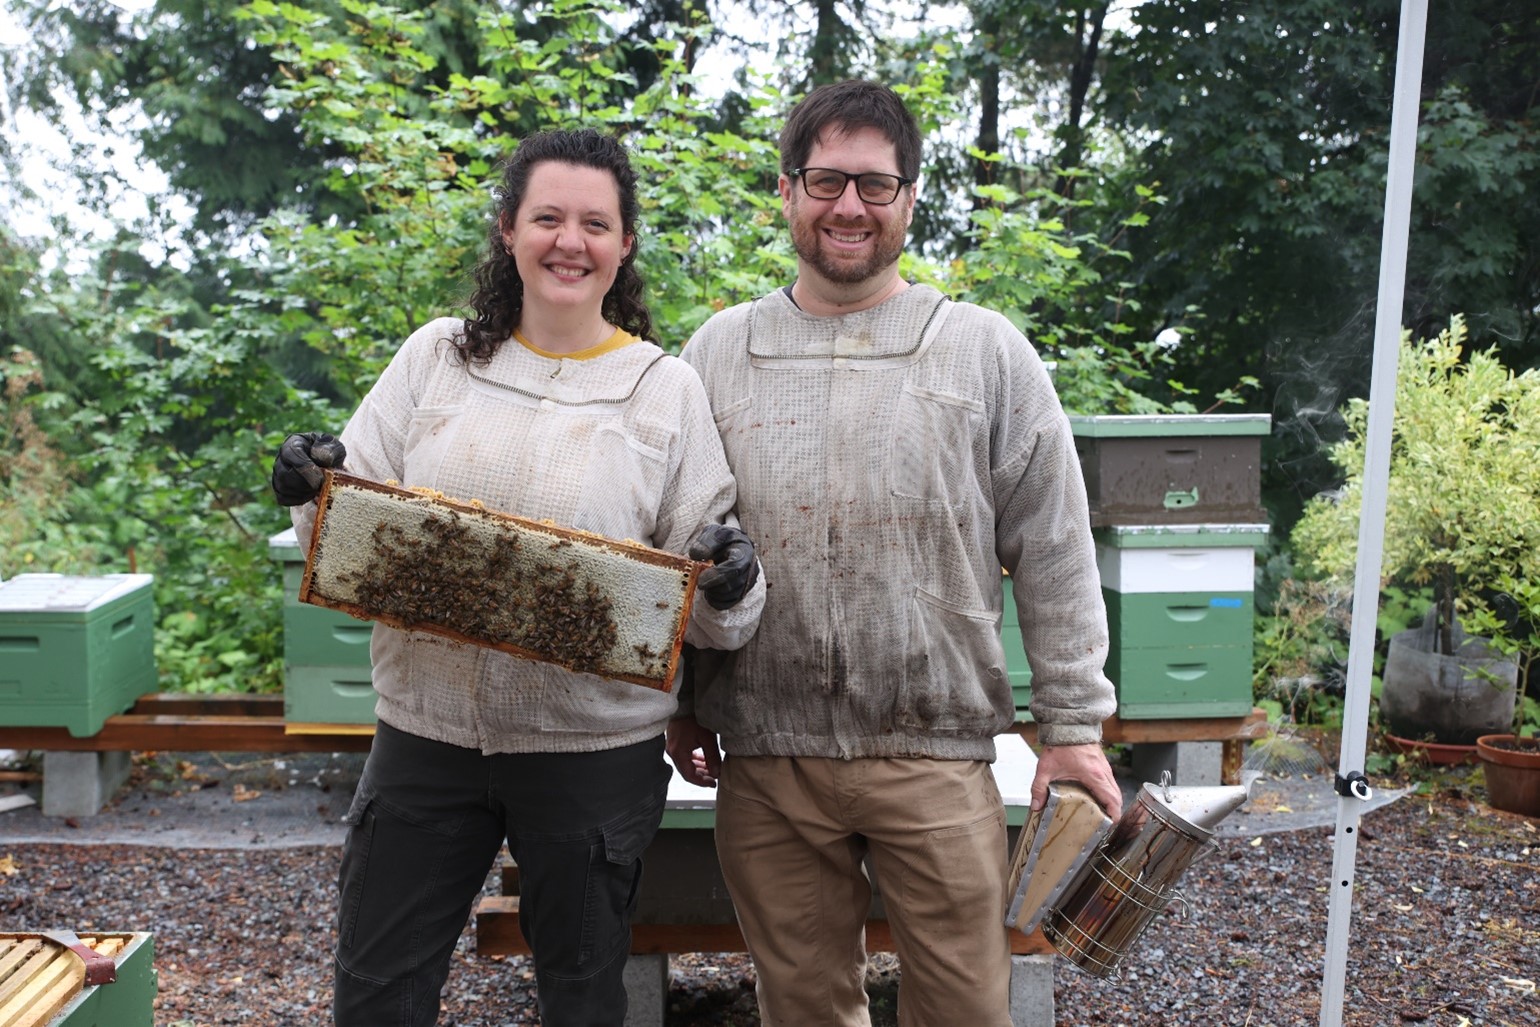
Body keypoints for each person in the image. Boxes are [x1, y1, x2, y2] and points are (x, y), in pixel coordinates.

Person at [269, 128, 764, 1027]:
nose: (569, 241)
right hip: (424, 735)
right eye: (547, 218)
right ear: (508, 231)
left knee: (581, 996)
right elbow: (337, 526)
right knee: (378, 990)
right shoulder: (435, 358)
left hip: (592, 757)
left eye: (594, 223)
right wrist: (307, 483)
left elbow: (707, 606)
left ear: (623, 244)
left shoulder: (665, 391)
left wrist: (732, 582)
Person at [665, 80, 1122, 1027]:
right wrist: (677, 698)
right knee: (800, 1007)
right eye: (826, 180)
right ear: (786, 191)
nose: (848, 208)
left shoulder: (983, 351)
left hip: (936, 750)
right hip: (768, 751)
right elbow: (676, 535)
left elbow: (1054, 543)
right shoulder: (716, 352)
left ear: (910, 198)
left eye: (875, 186)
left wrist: (1073, 723)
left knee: (964, 1008)